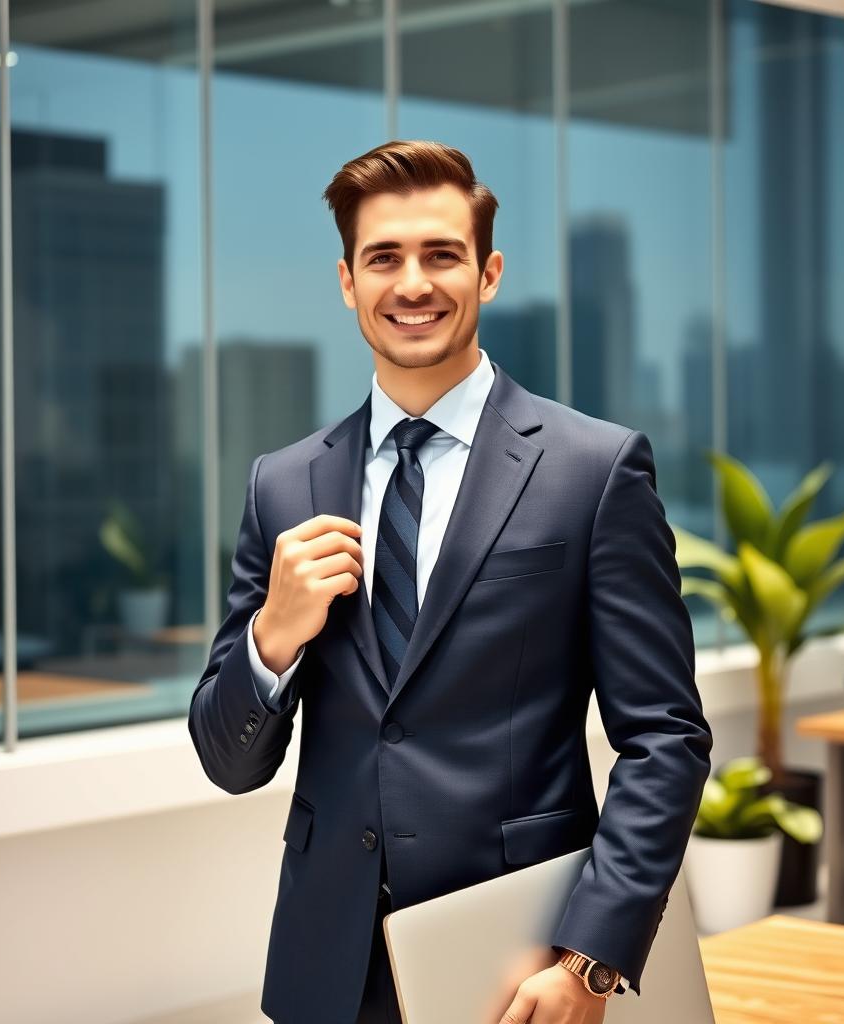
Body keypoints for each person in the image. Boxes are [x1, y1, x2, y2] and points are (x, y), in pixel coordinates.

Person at [188, 139, 713, 1024]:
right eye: (384, 258)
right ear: (348, 281)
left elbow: (666, 739)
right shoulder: (282, 483)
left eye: (442, 254)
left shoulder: (594, 469)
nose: (413, 283)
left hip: (516, 958)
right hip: (328, 969)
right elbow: (229, 761)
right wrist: (273, 635)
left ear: (490, 272)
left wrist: (590, 959)